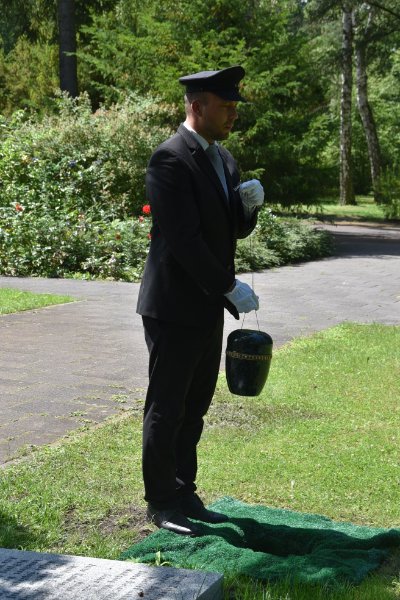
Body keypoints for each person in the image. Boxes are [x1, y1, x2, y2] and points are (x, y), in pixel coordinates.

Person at [136, 65, 265, 536]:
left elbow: (230, 230)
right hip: (173, 306)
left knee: (195, 407)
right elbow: (184, 239)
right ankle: (161, 502)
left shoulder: (223, 159)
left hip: (207, 304)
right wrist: (228, 285)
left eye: (234, 106)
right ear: (197, 106)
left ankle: (184, 490)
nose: (233, 114)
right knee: (167, 406)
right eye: (225, 106)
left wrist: (248, 209)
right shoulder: (170, 158)